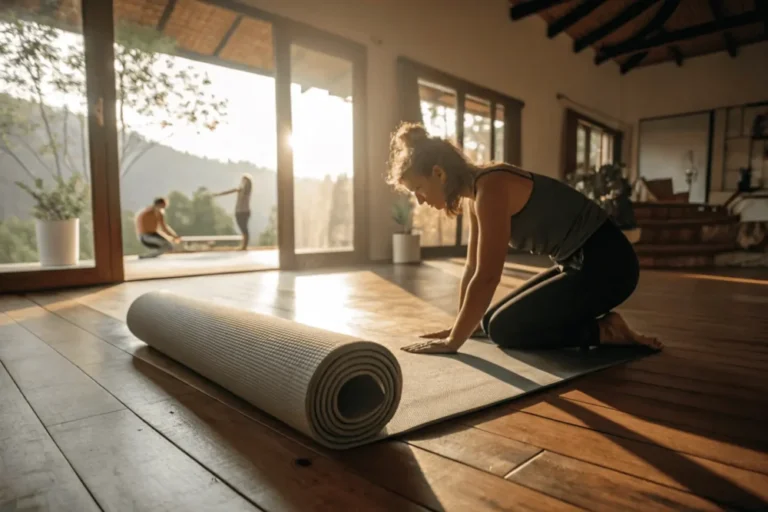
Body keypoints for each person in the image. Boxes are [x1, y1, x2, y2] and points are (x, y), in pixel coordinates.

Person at [385, 122, 662, 354]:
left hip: (610, 266)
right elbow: (472, 267)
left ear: (438, 173)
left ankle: (605, 332)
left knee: (506, 330)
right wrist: (460, 326)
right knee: (489, 321)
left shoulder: (491, 188)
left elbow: (488, 276)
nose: (420, 201)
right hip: (578, 261)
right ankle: (604, 327)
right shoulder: (477, 193)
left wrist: (452, 343)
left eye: (418, 189)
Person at [211, 174, 253, 250]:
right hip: (240, 211)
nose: (243, 182)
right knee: (243, 228)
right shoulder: (240, 189)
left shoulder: (246, 191)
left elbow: (231, 191)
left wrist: (218, 194)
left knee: (244, 228)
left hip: (243, 212)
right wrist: (218, 194)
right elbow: (229, 191)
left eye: (244, 181)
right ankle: (244, 245)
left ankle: (244, 246)